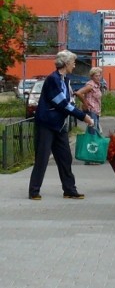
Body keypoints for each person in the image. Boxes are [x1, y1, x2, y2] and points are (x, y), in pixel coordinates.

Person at [28, 50, 95, 200]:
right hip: (46, 124)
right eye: (73, 62)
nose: (75, 64)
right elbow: (61, 104)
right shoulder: (53, 79)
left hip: (59, 125)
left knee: (65, 157)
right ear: (65, 63)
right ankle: (34, 191)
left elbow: (69, 101)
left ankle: (70, 190)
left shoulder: (65, 80)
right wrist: (83, 117)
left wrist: (82, 107)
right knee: (42, 158)